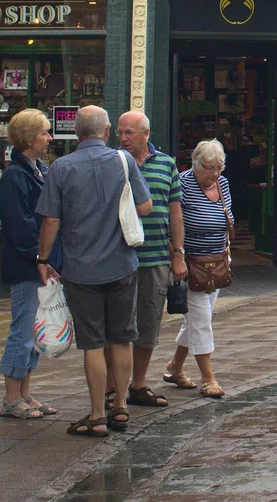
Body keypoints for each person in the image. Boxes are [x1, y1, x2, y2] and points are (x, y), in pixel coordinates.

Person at [35, 105, 153, 439]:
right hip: (122, 264)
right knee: (122, 336)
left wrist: (43, 259)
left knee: (93, 343)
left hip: (81, 269)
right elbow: (145, 207)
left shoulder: (60, 168)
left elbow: (51, 220)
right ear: (106, 132)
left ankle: (98, 415)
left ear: (76, 133)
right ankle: (122, 409)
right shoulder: (124, 161)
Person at [119, 111, 182, 410]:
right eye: (119, 132)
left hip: (156, 256)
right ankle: (112, 388)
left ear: (145, 133)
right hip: (118, 257)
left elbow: (175, 211)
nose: (123, 138)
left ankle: (138, 384)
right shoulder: (114, 162)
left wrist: (178, 253)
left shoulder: (166, 164)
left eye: (129, 133)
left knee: (149, 324)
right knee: (117, 326)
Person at [0, 107, 57, 419]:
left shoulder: (37, 170)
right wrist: (39, 258)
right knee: (22, 330)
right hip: (25, 267)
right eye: (44, 132)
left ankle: (25, 394)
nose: (49, 137)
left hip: (39, 263)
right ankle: (10, 398)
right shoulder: (14, 176)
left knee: (34, 334)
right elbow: (20, 227)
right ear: (28, 138)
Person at [163, 140, 231, 398]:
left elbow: (227, 220)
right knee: (201, 320)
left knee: (197, 318)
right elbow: (172, 224)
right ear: (196, 164)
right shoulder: (181, 183)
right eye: (209, 168)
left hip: (217, 263)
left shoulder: (223, 185)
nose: (214, 174)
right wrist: (177, 258)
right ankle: (208, 377)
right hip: (191, 263)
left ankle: (175, 367)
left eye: (219, 168)